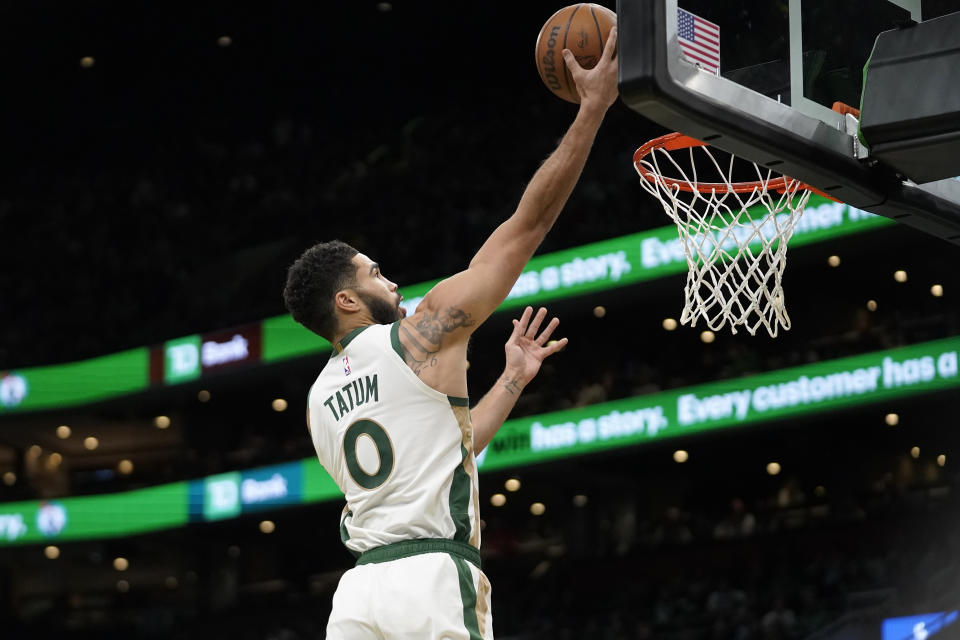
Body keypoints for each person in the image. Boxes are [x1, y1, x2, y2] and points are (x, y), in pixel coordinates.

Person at [282, 29, 619, 640]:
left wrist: (512, 380)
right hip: (431, 578)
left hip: (358, 592)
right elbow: (526, 228)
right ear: (347, 300)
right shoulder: (419, 337)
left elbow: (440, 452)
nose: (395, 284)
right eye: (376, 274)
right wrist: (593, 111)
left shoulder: (316, 402)